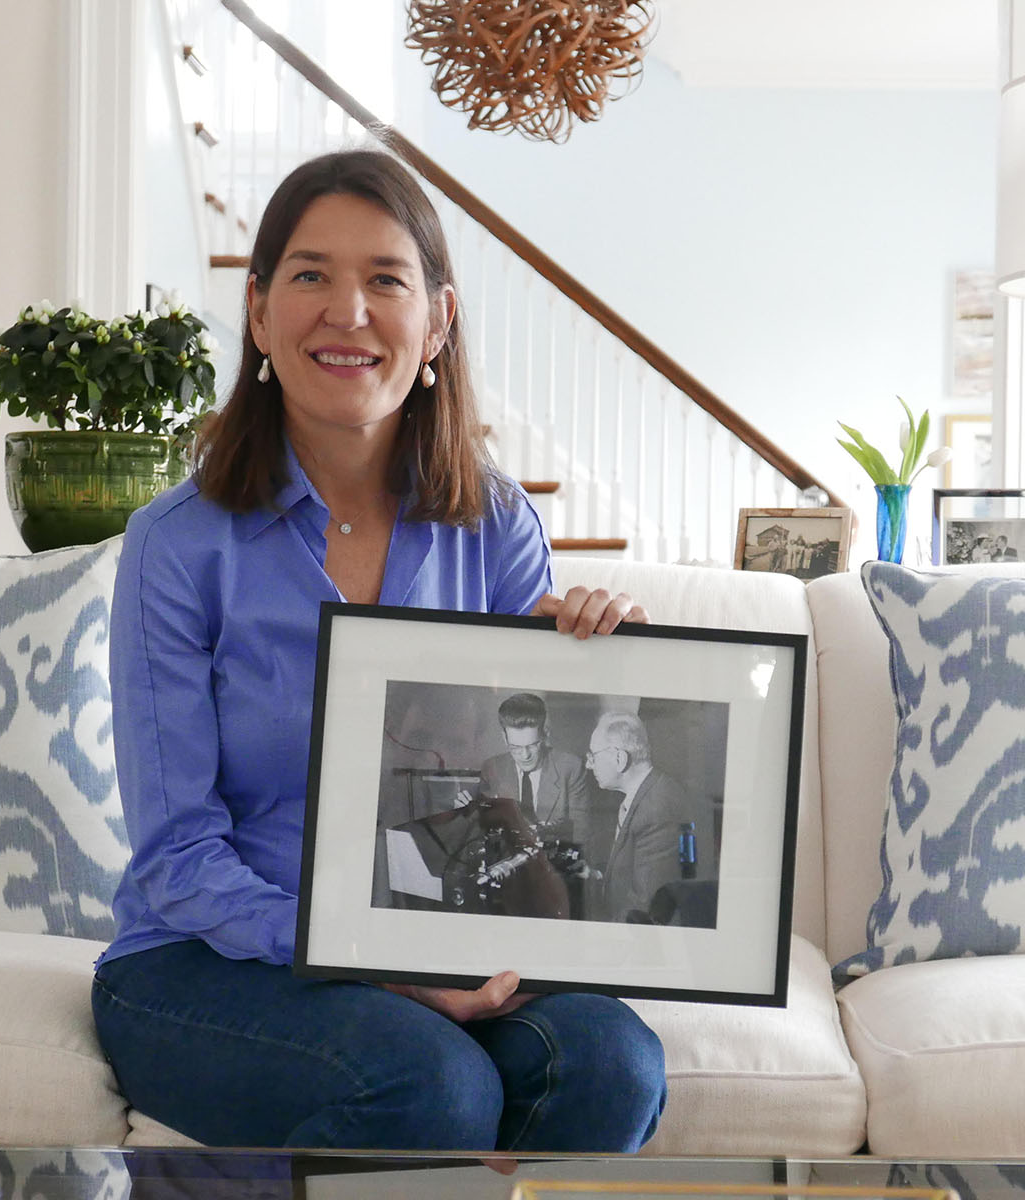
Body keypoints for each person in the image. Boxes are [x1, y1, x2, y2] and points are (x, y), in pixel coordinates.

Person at [93, 150, 667, 1154]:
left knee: (610, 1065)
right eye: (311, 275)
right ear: (260, 312)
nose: (347, 311)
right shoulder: (178, 544)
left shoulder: (496, 525)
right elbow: (179, 858)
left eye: (385, 280)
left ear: (437, 322)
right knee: (427, 1084)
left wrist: (601, 667)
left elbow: (514, 790)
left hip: (446, 937)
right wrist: (377, 964)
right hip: (214, 960)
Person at [584, 711, 714, 926]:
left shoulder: (657, 809)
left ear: (619, 758)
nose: (589, 765)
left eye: (593, 756)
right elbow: (635, 871)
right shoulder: (645, 793)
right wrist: (596, 875)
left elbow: (643, 909)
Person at [476, 693, 593, 838]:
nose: (525, 756)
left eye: (532, 745)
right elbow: (483, 830)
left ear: (545, 735)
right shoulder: (491, 768)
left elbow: (581, 835)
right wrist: (468, 814)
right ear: (504, 738)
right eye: (515, 747)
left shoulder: (571, 768)